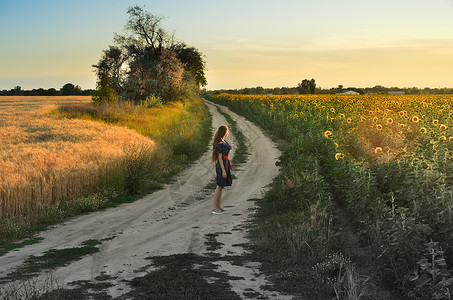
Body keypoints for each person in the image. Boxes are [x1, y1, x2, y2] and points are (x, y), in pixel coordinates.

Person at [211, 125, 232, 215]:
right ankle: (215, 208)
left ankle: (219, 207)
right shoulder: (220, 143)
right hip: (221, 165)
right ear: (224, 132)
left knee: (221, 186)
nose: (228, 132)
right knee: (219, 186)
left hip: (225, 164)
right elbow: (220, 158)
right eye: (227, 131)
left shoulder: (223, 141)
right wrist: (223, 170)